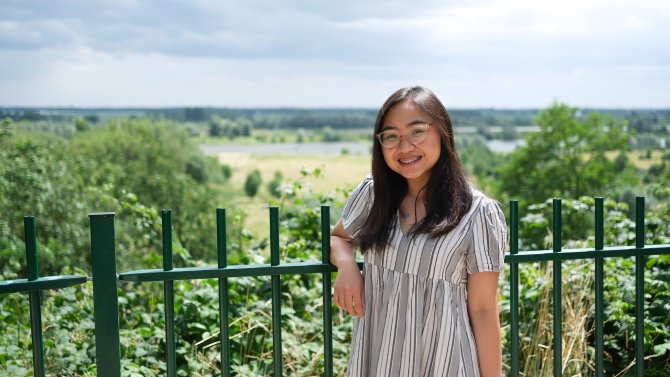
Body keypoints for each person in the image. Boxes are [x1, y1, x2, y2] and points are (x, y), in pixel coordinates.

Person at [330, 86, 506, 377]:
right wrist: (347, 265)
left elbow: (484, 310)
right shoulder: (374, 194)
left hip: (445, 362)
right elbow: (339, 237)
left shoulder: (477, 213)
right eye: (391, 136)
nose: (405, 147)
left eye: (417, 132)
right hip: (377, 359)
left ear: (442, 132)